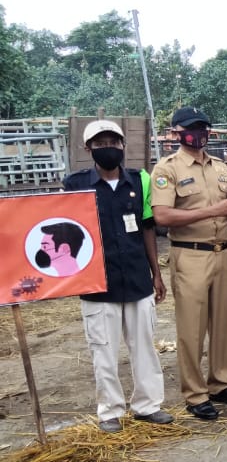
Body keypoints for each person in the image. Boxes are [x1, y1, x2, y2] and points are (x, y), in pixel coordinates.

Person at [64, 119, 171, 432]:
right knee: (103, 350)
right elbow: (66, 231)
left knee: (145, 347)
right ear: (88, 149)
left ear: (123, 145)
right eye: (100, 144)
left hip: (137, 279)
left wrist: (156, 273)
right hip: (97, 283)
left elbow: (148, 228)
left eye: (113, 142)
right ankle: (110, 411)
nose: (108, 148)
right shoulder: (74, 185)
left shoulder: (140, 180)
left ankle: (148, 406)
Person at [152, 107, 227, 420]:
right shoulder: (167, 169)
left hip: (224, 252)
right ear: (176, 133)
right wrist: (210, 211)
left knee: (224, 323)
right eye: (191, 128)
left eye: (202, 128)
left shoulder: (220, 166)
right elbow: (162, 216)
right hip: (190, 253)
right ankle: (195, 394)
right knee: (192, 328)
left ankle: (220, 383)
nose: (198, 134)